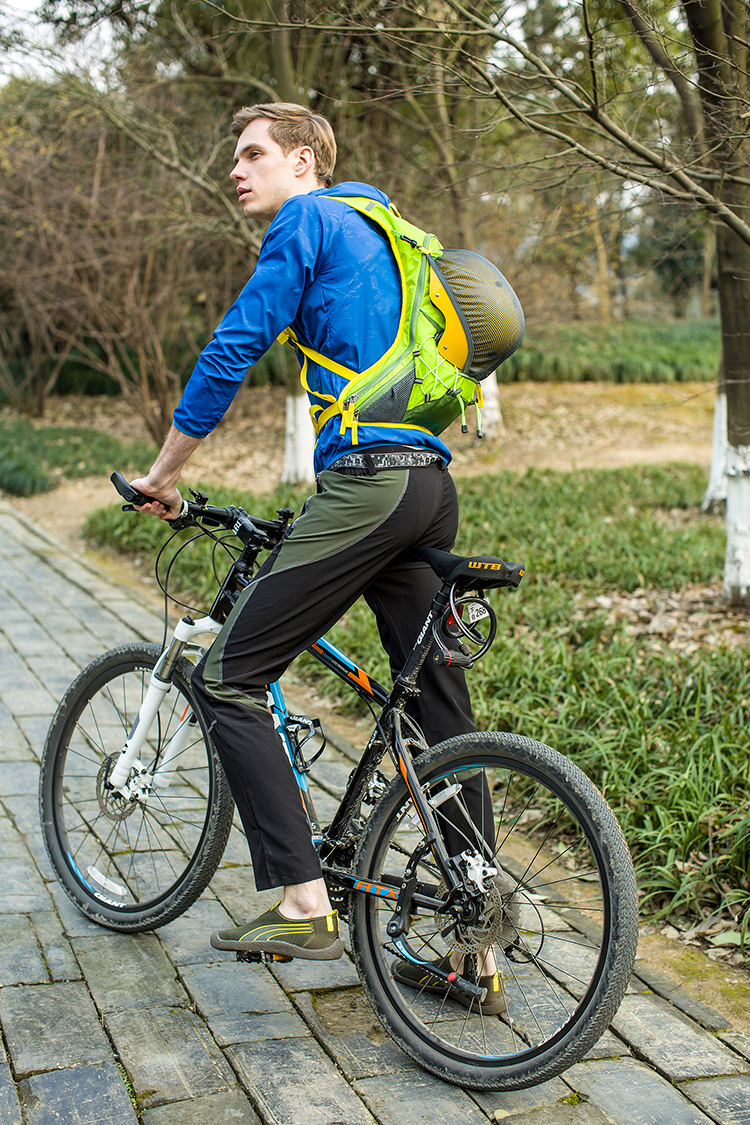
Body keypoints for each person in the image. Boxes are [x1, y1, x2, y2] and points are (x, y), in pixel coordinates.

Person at [130, 102, 503, 1010]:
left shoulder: (308, 218)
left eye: (252, 152)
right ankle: (478, 951)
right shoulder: (386, 229)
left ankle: (302, 901)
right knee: (440, 717)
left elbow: (232, 348)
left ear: (304, 160)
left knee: (226, 675)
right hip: (426, 484)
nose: (236, 169)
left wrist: (162, 474)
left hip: (370, 486)